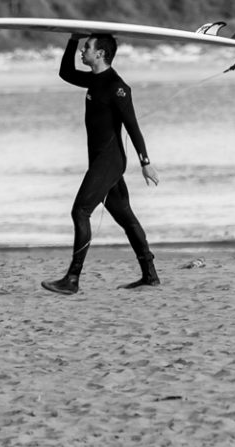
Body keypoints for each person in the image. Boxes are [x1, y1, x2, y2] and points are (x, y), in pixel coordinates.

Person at [41, 33, 160, 294]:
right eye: (83, 48)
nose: (83, 52)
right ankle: (150, 275)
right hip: (101, 161)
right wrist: (73, 39)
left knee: (80, 211)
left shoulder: (117, 87)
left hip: (109, 161)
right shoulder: (94, 80)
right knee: (125, 216)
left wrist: (145, 162)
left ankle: (72, 279)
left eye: (86, 48)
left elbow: (133, 126)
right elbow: (64, 72)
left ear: (100, 54)